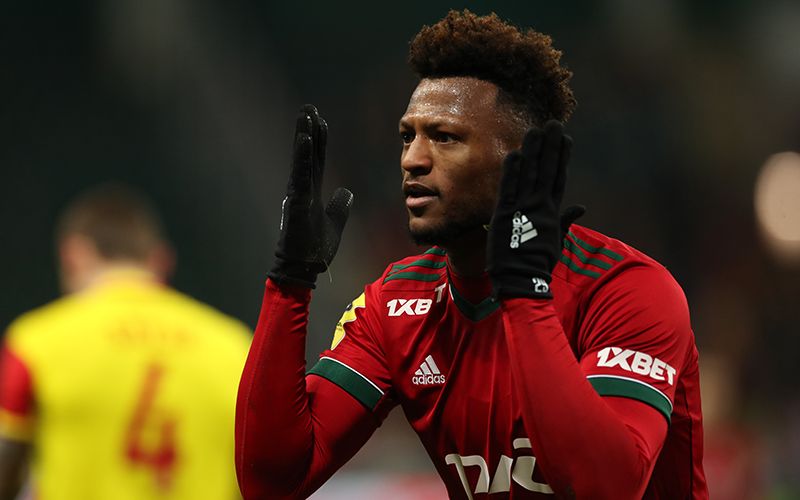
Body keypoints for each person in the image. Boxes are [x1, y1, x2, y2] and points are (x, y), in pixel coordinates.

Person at [236, 10, 707, 499]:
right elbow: (269, 483)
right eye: (407, 136)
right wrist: (290, 282)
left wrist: (523, 295)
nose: (413, 159)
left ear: (520, 162)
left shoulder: (627, 291)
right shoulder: (395, 306)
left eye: (445, 138)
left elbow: (604, 489)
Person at [0, 184, 251, 500]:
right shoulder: (235, 347)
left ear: (73, 255)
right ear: (161, 260)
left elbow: (5, 471)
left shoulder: (35, 342)